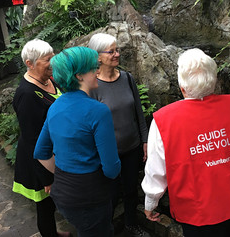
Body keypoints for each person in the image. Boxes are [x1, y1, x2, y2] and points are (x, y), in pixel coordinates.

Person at [142, 48, 230, 237]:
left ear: (182, 88)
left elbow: (156, 169)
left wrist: (151, 202)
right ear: (214, 82)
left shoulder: (163, 121)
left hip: (198, 214)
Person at [33, 46, 121, 237]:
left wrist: (67, 173)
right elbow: (111, 169)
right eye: (92, 68)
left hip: (63, 194)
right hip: (91, 197)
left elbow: (40, 152)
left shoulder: (55, 106)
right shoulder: (98, 111)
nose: (97, 71)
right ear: (79, 75)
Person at [88, 33, 150, 237]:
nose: (117, 54)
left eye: (117, 50)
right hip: (108, 154)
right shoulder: (92, 87)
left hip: (132, 148)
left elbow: (138, 113)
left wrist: (144, 140)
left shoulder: (127, 78)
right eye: (111, 51)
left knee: (131, 190)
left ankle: (131, 224)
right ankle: (106, 230)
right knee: (111, 195)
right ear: (97, 56)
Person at [12, 39, 70, 237]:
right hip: (40, 161)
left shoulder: (49, 80)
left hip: (55, 154)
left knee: (52, 203)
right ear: (30, 63)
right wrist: (46, 176)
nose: (53, 62)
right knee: (45, 207)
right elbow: (32, 139)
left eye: (53, 56)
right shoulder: (26, 95)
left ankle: (54, 232)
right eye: (47, 59)